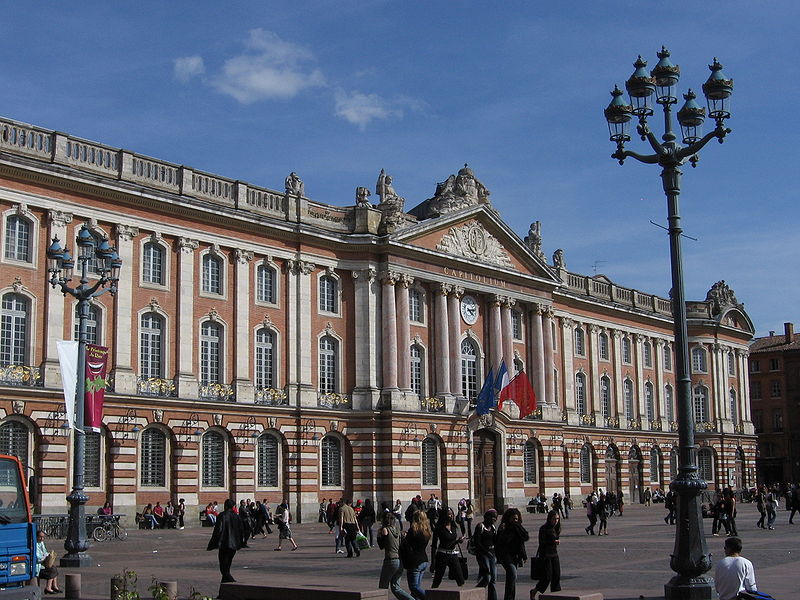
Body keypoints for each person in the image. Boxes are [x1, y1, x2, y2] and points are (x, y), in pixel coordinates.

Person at [207, 498, 244, 594]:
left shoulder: (221, 516)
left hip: (224, 544)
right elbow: (241, 531)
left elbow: (217, 531)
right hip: (234, 545)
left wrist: (212, 543)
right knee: (226, 567)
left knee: (224, 568)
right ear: (233, 507)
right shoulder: (237, 517)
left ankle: (232, 584)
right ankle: (223, 593)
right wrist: (240, 543)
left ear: (226, 506)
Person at [377, 511, 415, 600]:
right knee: (396, 587)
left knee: (383, 586)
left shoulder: (385, 530)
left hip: (390, 560)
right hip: (399, 561)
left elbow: (381, 546)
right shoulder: (398, 530)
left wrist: (379, 536)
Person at [495, 507, 528, 600]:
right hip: (505, 554)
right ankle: (509, 597)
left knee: (512, 577)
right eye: (513, 519)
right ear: (508, 518)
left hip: (515, 555)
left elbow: (522, 541)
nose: (515, 521)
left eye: (516, 519)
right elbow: (499, 542)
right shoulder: (504, 527)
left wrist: (524, 555)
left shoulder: (518, 527)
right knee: (512, 573)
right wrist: (501, 532)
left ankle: (510, 597)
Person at [430, 507, 465, 588]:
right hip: (442, 555)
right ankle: (432, 595)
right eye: (449, 514)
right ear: (444, 516)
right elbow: (434, 546)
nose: (451, 516)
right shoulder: (439, 528)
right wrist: (433, 562)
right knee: (437, 579)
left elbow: (452, 542)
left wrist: (458, 541)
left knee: (460, 578)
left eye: (452, 514)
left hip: (453, 554)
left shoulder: (453, 526)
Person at [531, 510, 561, 600]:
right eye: (554, 519)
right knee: (547, 577)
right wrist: (553, 541)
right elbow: (541, 542)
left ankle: (556, 595)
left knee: (556, 576)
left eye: (557, 519)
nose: (556, 521)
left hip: (554, 554)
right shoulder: (543, 528)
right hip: (545, 555)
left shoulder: (556, 528)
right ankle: (534, 591)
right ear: (549, 518)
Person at [403, 510, 431, 600]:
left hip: (415, 562)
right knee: (416, 588)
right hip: (424, 560)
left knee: (414, 587)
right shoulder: (426, 530)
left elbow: (407, 544)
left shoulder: (413, 530)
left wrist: (404, 537)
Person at [473, 509, 498, 600]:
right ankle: (475, 593)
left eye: (496, 517)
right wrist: (486, 552)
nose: (494, 519)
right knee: (487, 577)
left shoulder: (493, 528)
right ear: (487, 517)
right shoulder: (480, 526)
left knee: (493, 580)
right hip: (483, 555)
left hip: (492, 554)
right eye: (493, 517)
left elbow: (496, 541)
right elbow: (477, 542)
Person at [35, 530, 60, 594]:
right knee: (52, 570)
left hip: (43, 564)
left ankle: (54, 586)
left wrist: (49, 555)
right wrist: (45, 557)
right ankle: (48, 588)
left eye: (43, 537)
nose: (42, 539)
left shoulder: (41, 543)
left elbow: (44, 552)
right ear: (36, 536)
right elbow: (37, 558)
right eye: (40, 537)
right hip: (38, 567)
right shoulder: (35, 544)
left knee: (54, 568)